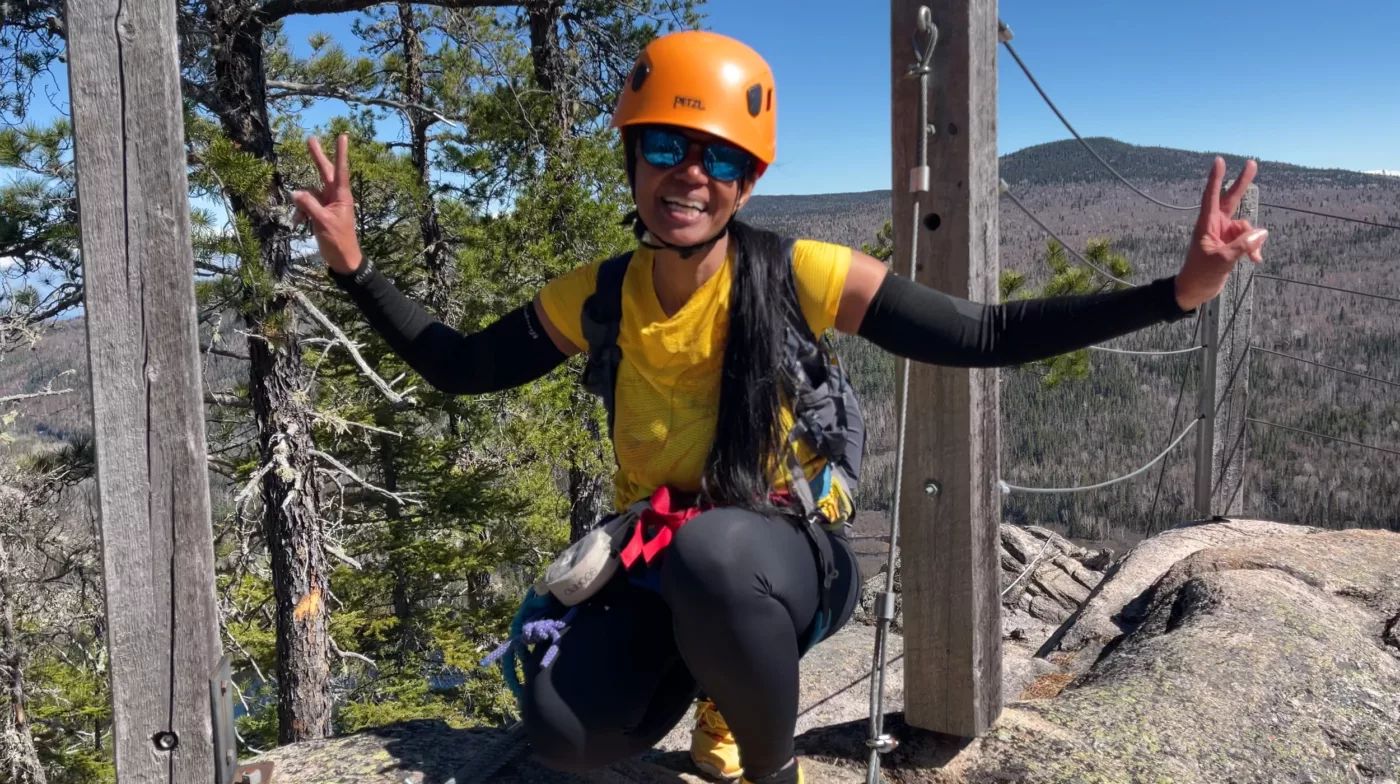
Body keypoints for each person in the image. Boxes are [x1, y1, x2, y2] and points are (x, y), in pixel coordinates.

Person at [291, 28, 1266, 784]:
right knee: (563, 734)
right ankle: (718, 673)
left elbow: (980, 334)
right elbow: (463, 367)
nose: (689, 174)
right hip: (657, 555)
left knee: (716, 555)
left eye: (718, 158)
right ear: (631, 158)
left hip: (781, 553)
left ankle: (768, 761)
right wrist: (356, 269)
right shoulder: (595, 294)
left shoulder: (798, 273)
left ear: (747, 179)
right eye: (666, 145)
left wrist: (1172, 292)